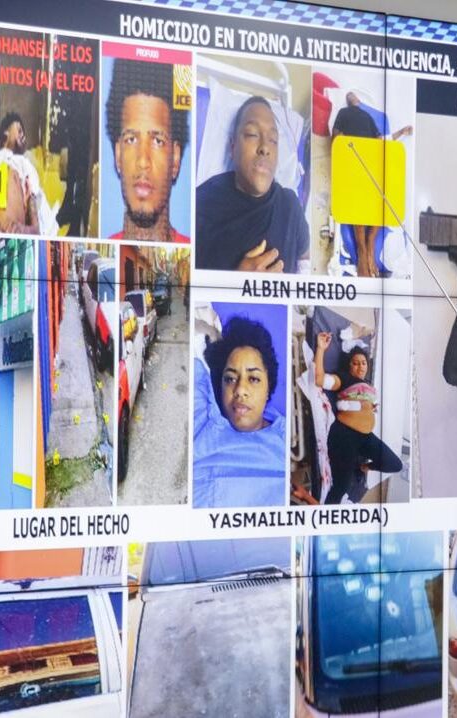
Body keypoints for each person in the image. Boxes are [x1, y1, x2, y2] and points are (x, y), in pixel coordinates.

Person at [196, 96, 309, 273]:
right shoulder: (201, 206)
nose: (265, 148)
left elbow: (305, 257)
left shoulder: (290, 206)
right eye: (252, 134)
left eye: (273, 140)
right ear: (232, 147)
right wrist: (238, 283)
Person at [193, 316, 286, 507]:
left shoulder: (282, 444)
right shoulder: (201, 423)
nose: (240, 390)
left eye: (253, 379)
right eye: (230, 379)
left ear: (268, 387)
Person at [105, 58, 190, 242]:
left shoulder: (199, 251)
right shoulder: (103, 249)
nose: (143, 161)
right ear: (118, 155)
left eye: (158, 141)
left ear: (175, 159)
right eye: (131, 139)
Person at [331, 91, 413, 278]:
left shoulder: (368, 117)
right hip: (354, 161)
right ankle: (363, 250)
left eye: (354, 96)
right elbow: (336, 140)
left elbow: (381, 141)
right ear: (350, 101)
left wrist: (401, 132)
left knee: (381, 195)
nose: (352, 98)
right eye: (350, 96)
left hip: (370, 161)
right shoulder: (343, 113)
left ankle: (369, 244)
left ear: (358, 101)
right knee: (359, 199)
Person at [315, 331, 402, 504]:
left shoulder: (368, 386)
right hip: (344, 436)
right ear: (349, 366)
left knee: (395, 464)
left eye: (363, 363)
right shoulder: (344, 378)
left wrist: (368, 407)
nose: (360, 367)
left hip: (365, 437)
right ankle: (325, 517)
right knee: (341, 487)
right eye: (355, 363)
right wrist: (321, 349)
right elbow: (319, 380)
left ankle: (363, 466)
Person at [0, 112, 57, 235]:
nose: (23, 136)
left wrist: (23, 231)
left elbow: (36, 227)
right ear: (5, 133)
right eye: (19, 130)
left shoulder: (24, 164)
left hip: (14, 239)